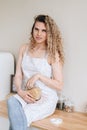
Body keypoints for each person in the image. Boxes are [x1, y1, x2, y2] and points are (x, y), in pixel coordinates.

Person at [7, 14, 64, 130]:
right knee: (12, 101)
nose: (39, 34)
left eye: (44, 31)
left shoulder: (52, 53)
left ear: (49, 34)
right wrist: (20, 91)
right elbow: (18, 75)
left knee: (22, 114)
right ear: (32, 29)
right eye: (36, 29)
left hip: (46, 98)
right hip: (27, 94)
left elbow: (59, 85)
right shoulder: (24, 48)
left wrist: (39, 76)